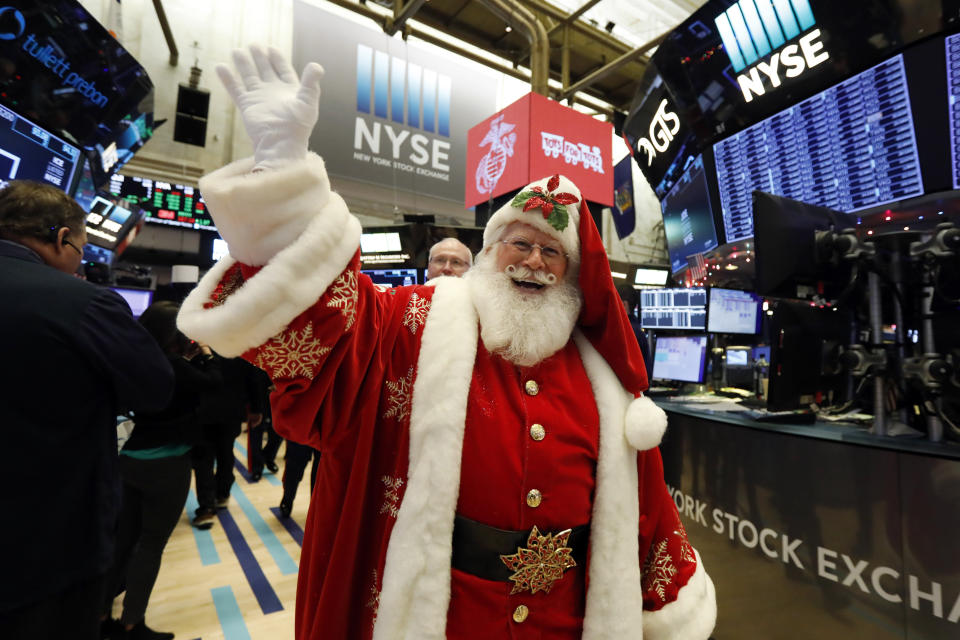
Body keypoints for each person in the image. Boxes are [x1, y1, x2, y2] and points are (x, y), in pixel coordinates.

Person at [178, 45, 716, 640]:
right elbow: (323, 326)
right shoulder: (410, 323)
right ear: (489, 254)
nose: (534, 262)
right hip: (443, 610)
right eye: (520, 244)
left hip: (564, 617)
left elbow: (643, 504)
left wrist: (665, 605)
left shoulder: (604, 377)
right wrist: (282, 174)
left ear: (572, 276)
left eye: (551, 252)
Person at [0, 181, 174, 640]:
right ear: (62, 239)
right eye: (80, 248)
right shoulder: (83, 302)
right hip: (49, 546)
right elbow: (155, 389)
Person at [101, 302, 222, 640]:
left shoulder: (129, 360)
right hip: (168, 465)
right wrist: (205, 352)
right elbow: (214, 381)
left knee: (122, 539)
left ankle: (99, 615)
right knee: (151, 545)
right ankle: (131, 623)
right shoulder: (177, 368)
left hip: (127, 461)